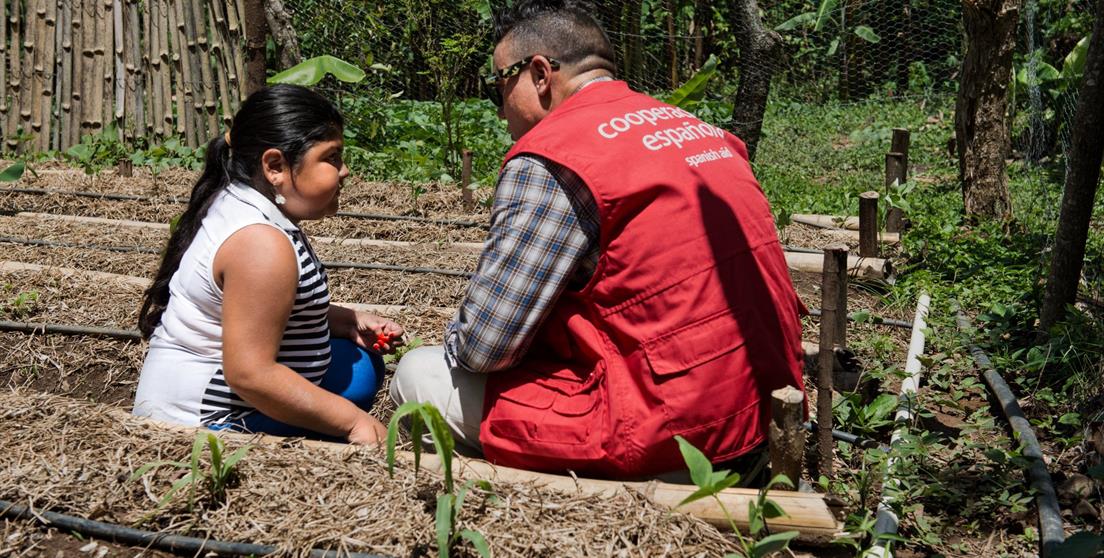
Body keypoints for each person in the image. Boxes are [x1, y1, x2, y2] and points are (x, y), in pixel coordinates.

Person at [391, 0, 804, 478]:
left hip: (671, 428)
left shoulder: (553, 157)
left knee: (419, 375)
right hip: (762, 405)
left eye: (498, 87)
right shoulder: (704, 133)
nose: (500, 108)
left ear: (540, 74)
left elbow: (484, 348)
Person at [133, 84, 403, 444]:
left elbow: (261, 310)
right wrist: (354, 423)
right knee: (355, 382)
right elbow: (250, 375)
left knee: (357, 363)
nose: (345, 171)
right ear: (275, 166)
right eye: (332, 157)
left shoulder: (249, 204)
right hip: (205, 425)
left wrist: (347, 320)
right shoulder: (260, 244)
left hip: (225, 402)